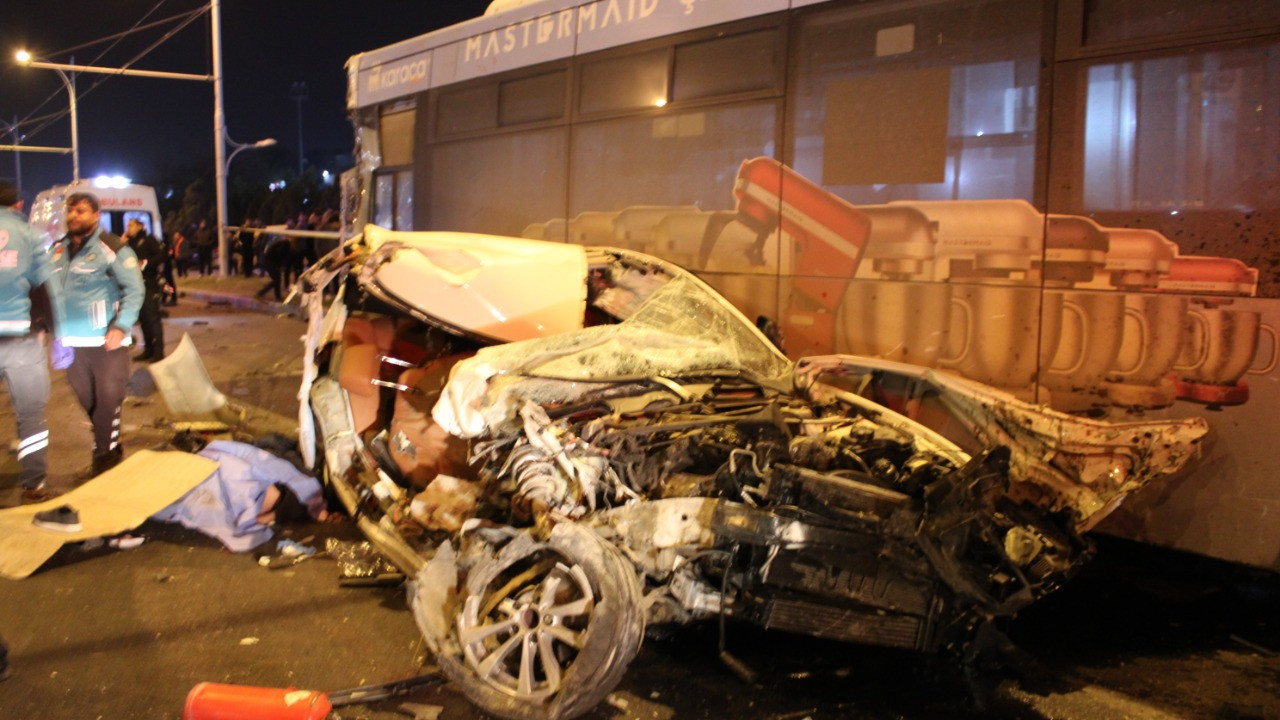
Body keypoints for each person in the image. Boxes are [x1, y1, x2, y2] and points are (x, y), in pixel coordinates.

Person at [48, 192, 145, 477]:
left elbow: (135, 290)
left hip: (106, 342)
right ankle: (109, 446)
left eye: (80, 211)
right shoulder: (57, 250)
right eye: (70, 211)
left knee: (108, 402)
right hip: (70, 343)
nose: (73, 216)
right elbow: (49, 292)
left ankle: (104, 460)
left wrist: (121, 326)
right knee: (88, 402)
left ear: (96, 215)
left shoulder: (112, 248)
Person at [0, 180, 54, 501]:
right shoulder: (30, 235)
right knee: (31, 413)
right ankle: (33, 483)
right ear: (18, 206)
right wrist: (52, 332)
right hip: (20, 338)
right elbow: (45, 288)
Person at [124, 219, 166, 362]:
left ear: (140, 226)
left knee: (153, 318)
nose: (128, 228)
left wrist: (145, 264)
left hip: (149, 283)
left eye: (131, 225)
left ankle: (159, 352)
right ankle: (148, 349)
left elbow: (162, 255)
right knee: (143, 319)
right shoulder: (130, 243)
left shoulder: (149, 240)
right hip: (135, 286)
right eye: (128, 226)